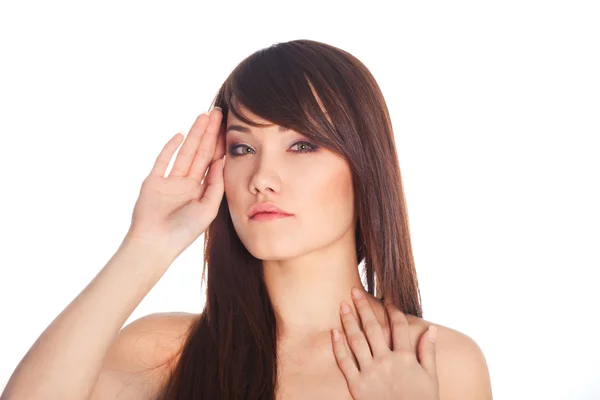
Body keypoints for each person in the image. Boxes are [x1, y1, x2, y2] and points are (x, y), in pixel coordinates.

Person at [2, 39, 493, 400]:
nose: (263, 177)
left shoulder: (439, 362)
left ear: (365, 165)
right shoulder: (161, 352)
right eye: (243, 148)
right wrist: (146, 246)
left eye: (302, 145)